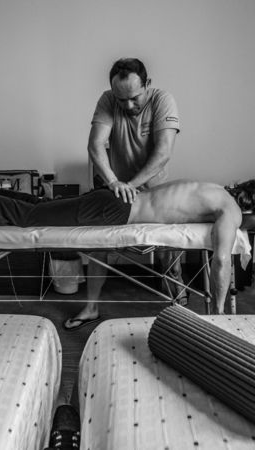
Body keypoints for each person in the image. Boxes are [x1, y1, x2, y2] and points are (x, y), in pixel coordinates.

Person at [0, 179, 255, 317]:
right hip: (113, 210)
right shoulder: (231, 209)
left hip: (113, 203)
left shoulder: (214, 189)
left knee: (39, 208)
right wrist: (219, 313)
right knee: (29, 218)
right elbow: (221, 261)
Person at [87, 57, 183, 314]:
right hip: (118, 190)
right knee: (97, 244)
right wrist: (113, 182)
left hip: (154, 191)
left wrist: (131, 184)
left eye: (134, 98)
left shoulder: (163, 100)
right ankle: (90, 307)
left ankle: (177, 298)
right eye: (122, 100)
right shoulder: (108, 100)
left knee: (167, 248)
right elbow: (95, 145)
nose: (128, 105)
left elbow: (163, 152)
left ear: (147, 84)